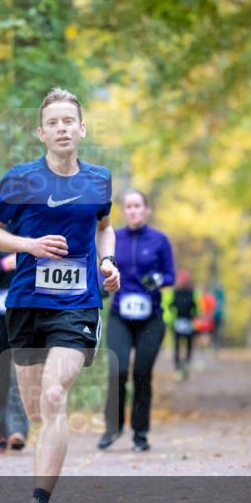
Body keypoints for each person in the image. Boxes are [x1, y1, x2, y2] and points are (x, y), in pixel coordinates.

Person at [0, 87, 120, 503]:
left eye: (69, 121)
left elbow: (104, 227)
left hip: (78, 305)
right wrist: (29, 245)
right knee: (39, 407)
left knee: (56, 396)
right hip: (25, 303)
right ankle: (39, 486)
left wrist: (107, 262)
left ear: (83, 129)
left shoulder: (98, 180)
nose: (62, 128)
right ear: (41, 133)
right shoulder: (19, 180)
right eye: (53, 122)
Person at [98, 189, 174, 452]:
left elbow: (170, 275)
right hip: (120, 316)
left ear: (146, 210)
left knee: (142, 373)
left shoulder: (159, 239)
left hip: (150, 319)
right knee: (117, 370)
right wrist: (102, 285)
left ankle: (140, 434)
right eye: (128, 207)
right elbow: (101, 271)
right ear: (124, 210)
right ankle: (112, 428)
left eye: (137, 206)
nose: (133, 211)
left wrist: (158, 280)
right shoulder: (113, 238)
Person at [0, 248, 29, 451]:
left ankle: (18, 430)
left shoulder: (29, 225)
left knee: (24, 371)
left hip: (26, 312)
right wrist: (1, 266)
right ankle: (0, 430)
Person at [170, 269, 197, 380]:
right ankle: (179, 366)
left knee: (186, 345)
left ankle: (185, 364)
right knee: (179, 345)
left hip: (186, 321)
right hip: (180, 321)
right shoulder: (177, 293)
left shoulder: (191, 292)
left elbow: (195, 306)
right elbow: (171, 305)